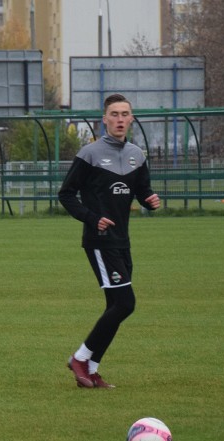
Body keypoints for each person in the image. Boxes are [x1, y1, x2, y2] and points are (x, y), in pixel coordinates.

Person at [58, 93, 160, 388]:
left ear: (131, 118)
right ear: (104, 119)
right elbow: (66, 194)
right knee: (125, 303)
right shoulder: (89, 153)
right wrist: (92, 218)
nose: (119, 119)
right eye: (114, 114)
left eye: (124, 114)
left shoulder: (136, 155)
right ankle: (79, 358)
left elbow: (143, 191)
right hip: (99, 240)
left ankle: (90, 370)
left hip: (122, 241)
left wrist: (150, 200)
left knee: (115, 307)